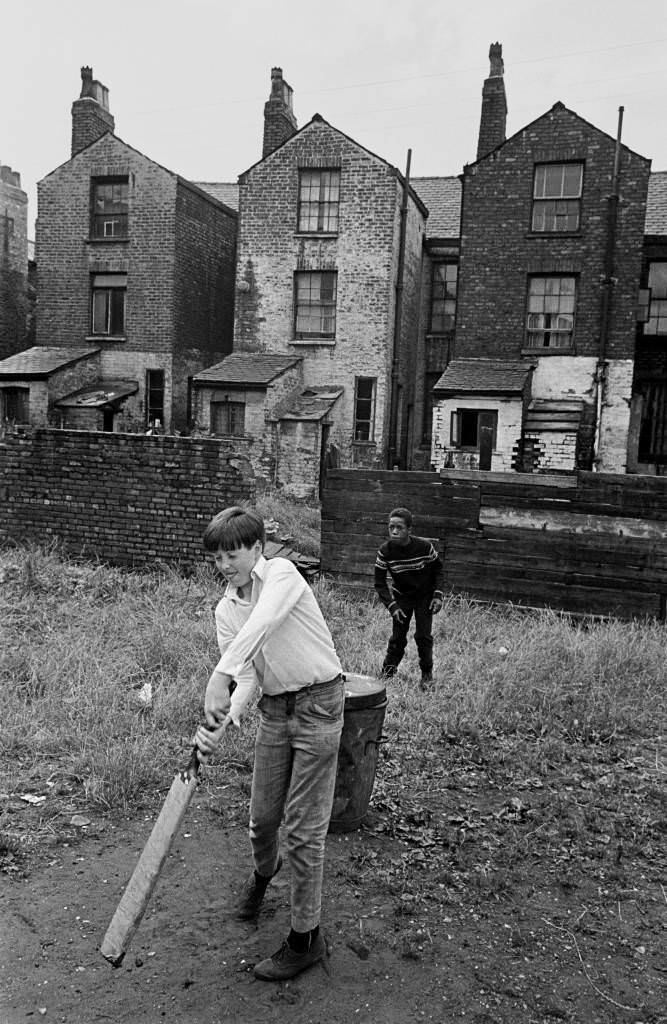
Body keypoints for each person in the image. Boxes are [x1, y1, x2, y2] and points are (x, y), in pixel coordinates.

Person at [194, 506, 344, 982]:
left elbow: (263, 625)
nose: (224, 565)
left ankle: (306, 938)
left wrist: (218, 676)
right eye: (216, 557)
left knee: (303, 830)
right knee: (262, 822)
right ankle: (264, 875)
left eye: (232, 554)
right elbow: (247, 677)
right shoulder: (225, 610)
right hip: (274, 712)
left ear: (257, 549)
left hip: (320, 703)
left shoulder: (283, 575)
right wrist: (227, 714)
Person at [374, 507, 445, 685]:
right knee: (398, 638)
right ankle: (387, 675)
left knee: (423, 637)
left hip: (424, 597)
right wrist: (392, 606)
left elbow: (438, 570)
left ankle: (427, 676)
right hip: (402, 598)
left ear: (409, 530)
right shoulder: (385, 551)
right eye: (391, 527)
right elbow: (380, 583)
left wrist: (438, 595)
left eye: (400, 527)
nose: (395, 531)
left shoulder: (424, 547)